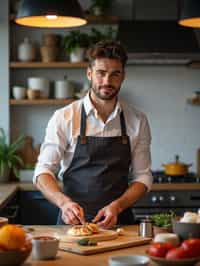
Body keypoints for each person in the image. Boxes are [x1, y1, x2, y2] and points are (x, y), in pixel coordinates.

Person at [33, 40, 153, 229]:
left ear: (123, 76)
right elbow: (42, 173)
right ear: (89, 73)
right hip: (72, 226)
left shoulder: (137, 120)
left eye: (115, 74)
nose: (107, 81)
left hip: (120, 225)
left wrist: (117, 206)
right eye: (101, 73)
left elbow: (143, 178)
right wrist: (64, 203)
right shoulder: (64, 117)